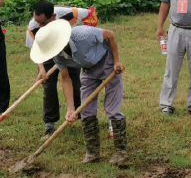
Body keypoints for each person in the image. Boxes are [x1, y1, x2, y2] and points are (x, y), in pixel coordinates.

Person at [30, 20, 127, 164]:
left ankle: (121, 152)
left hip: (106, 62)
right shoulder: (57, 55)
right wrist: (70, 109)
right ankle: (92, 154)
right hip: (87, 70)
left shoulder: (83, 34)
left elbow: (111, 36)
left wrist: (116, 61)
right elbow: (65, 78)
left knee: (112, 110)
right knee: (86, 111)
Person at [25, 0, 99, 140]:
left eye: (43, 23)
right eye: (37, 21)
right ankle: (49, 125)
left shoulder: (72, 13)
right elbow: (34, 49)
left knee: (76, 81)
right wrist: (41, 69)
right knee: (49, 86)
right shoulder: (33, 26)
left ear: (53, 16)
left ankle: (81, 115)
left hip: (67, 48)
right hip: (45, 50)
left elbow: (91, 19)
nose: (39, 26)